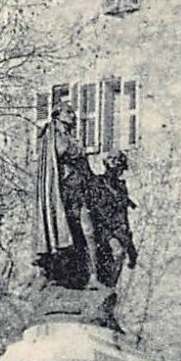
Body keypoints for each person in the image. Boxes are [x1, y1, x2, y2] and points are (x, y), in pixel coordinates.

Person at [30, 99, 97, 290]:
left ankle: (93, 276)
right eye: (68, 112)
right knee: (59, 232)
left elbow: (85, 167)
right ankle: (48, 274)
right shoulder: (51, 137)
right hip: (62, 193)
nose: (73, 115)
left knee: (88, 231)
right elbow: (59, 154)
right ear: (57, 115)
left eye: (73, 112)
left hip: (79, 192)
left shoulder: (72, 139)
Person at [89, 150, 140, 288]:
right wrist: (113, 230)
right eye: (113, 162)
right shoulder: (97, 183)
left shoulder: (121, 187)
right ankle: (107, 286)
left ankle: (111, 287)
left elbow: (123, 214)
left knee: (121, 255)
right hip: (103, 229)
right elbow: (96, 210)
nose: (117, 167)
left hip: (118, 229)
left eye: (119, 165)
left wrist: (128, 240)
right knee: (117, 252)